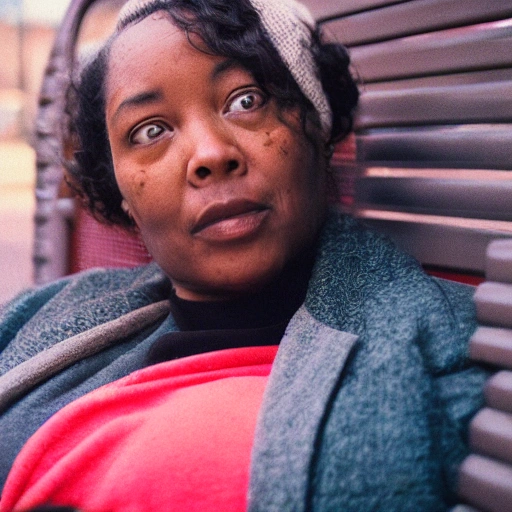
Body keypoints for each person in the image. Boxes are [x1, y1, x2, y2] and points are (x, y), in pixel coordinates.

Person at [0, 0, 489, 510]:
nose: (211, 154)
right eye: (150, 131)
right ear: (122, 189)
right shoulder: (38, 315)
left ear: (315, 124)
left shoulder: (438, 351)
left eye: (245, 100)